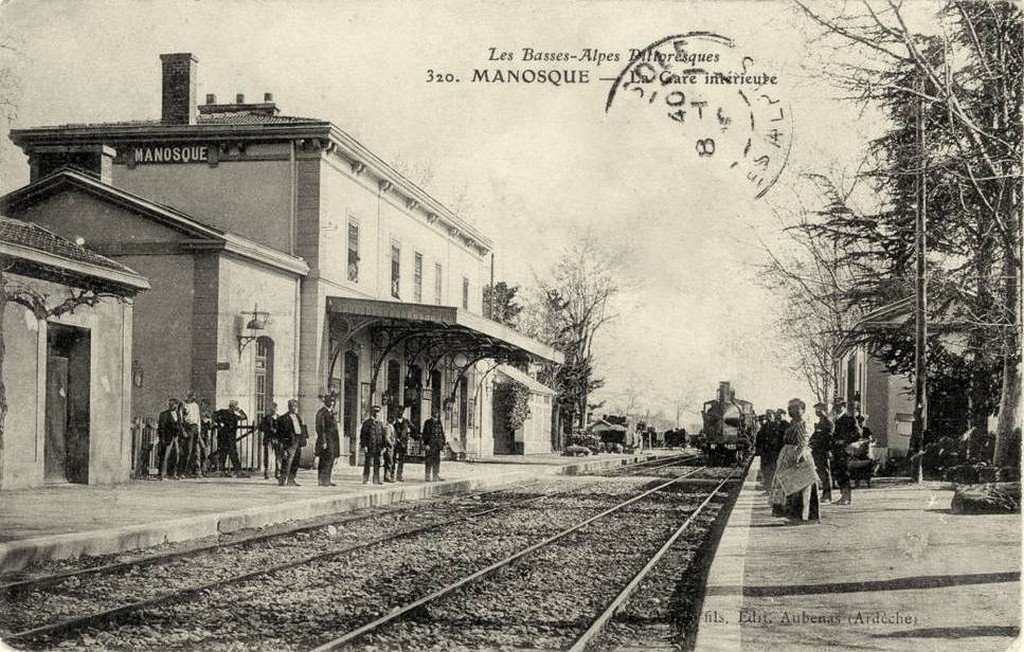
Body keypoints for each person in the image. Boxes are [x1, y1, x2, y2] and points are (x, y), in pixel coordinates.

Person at [770, 399, 820, 523]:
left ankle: (802, 517)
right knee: (791, 486)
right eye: (790, 408)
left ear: (802, 409)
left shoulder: (804, 423)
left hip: (798, 457)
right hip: (790, 455)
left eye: (794, 408)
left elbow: (803, 443)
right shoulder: (794, 423)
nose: (790, 411)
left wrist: (796, 458)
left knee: (800, 485)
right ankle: (795, 515)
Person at [832, 398, 860, 505]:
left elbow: (858, 434)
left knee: (844, 473)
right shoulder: (837, 419)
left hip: (846, 450)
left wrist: (845, 441)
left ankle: (846, 497)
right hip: (838, 451)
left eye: (839, 406)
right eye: (836, 407)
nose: (837, 408)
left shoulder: (850, 418)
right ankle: (843, 496)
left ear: (844, 406)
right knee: (839, 473)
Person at [213, 400, 248, 477]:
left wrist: (240, 410)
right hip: (223, 436)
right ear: (230, 406)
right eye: (234, 406)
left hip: (231, 437)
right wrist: (219, 424)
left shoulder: (234, 416)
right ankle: (223, 471)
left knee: (233, 454)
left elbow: (244, 417)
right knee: (223, 453)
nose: (234, 408)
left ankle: (237, 471)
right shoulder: (223, 412)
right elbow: (213, 415)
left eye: (235, 407)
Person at [276, 399, 305, 486]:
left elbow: (302, 428)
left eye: (296, 406)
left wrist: (302, 439)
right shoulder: (284, 418)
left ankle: (291, 479)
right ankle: (282, 480)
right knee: (287, 461)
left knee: (296, 461)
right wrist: (283, 444)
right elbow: (280, 433)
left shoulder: (298, 417)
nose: (294, 408)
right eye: (293, 406)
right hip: (289, 442)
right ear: (289, 407)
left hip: (297, 440)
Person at [809, 402, 834, 503]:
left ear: (824, 410)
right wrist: (810, 441)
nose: (817, 412)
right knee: (820, 472)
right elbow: (815, 436)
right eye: (816, 410)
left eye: (819, 410)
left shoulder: (828, 423)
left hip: (823, 451)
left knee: (825, 472)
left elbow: (829, 438)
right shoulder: (820, 422)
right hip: (817, 451)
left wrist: (828, 450)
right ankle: (825, 493)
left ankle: (827, 494)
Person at [314, 394, 341, 487]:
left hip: (333, 440)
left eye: (333, 402)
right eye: (330, 401)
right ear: (326, 402)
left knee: (331, 459)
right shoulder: (321, 412)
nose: (332, 404)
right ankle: (322, 481)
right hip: (326, 440)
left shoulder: (331, 412)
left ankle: (327, 480)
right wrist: (323, 441)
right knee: (324, 460)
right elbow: (320, 428)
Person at [157, 397, 184, 480]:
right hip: (168, 438)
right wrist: (163, 438)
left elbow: (179, 426)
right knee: (165, 456)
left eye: (175, 404)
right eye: (172, 404)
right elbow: (161, 428)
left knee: (176, 456)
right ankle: (162, 475)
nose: (174, 406)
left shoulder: (178, 415)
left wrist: (179, 435)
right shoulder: (164, 414)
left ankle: (173, 474)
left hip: (176, 438)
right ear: (169, 405)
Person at [181, 390, 205, 478]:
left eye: (192, 396)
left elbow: (198, 419)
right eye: (190, 396)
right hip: (188, 427)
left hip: (195, 428)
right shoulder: (183, 405)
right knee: (188, 451)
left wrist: (198, 431)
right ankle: (183, 472)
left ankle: (197, 472)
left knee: (197, 451)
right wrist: (184, 430)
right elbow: (181, 419)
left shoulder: (196, 406)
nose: (192, 398)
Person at [360, 405, 386, 485]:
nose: (377, 414)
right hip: (369, 446)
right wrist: (364, 446)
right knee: (367, 463)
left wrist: (383, 446)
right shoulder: (367, 423)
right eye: (375, 412)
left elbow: (383, 435)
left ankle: (376, 479)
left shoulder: (380, 424)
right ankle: (365, 479)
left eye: (378, 412)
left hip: (378, 447)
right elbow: (363, 435)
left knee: (377, 464)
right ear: (373, 413)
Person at [422, 407, 446, 482]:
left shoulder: (439, 422)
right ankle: (427, 476)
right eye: (435, 413)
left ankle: (435, 475)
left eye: (437, 413)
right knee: (429, 460)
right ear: (432, 414)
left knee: (437, 460)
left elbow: (442, 433)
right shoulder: (427, 422)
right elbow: (425, 434)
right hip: (430, 445)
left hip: (437, 445)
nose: (437, 414)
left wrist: (443, 443)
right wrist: (426, 444)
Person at [260, 403, 279, 480]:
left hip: (278, 439)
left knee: (278, 457)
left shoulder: (280, 418)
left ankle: (277, 473)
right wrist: (269, 429)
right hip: (269, 439)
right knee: (267, 456)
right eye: (271, 409)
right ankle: (266, 472)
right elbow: (261, 427)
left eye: (275, 408)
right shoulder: (265, 419)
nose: (273, 410)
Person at [392, 406, 411, 482]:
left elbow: (413, 428)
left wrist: (410, 435)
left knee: (401, 460)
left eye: (402, 411)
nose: (400, 412)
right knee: (393, 459)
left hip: (403, 444)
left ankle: (399, 475)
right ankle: (392, 474)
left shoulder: (406, 421)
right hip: (395, 443)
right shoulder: (394, 421)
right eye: (399, 411)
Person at [382, 414, 397, 483]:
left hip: (391, 447)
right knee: (389, 462)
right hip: (389, 447)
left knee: (390, 461)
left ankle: (388, 476)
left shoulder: (392, 427)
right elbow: (387, 437)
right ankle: (387, 477)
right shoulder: (388, 427)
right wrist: (391, 444)